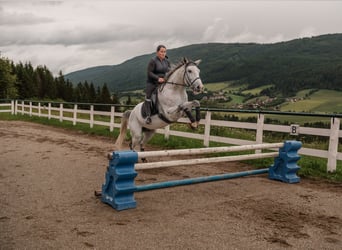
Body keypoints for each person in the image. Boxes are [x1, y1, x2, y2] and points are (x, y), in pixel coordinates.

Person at [144, 44, 170, 124]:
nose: (163, 53)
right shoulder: (153, 60)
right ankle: (148, 116)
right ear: (157, 52)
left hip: (163, 82)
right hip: (152, 82)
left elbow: (169, 71)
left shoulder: (167, 61)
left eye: (164, 52)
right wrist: (158, 78)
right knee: (148, 96)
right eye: (161, 51)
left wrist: (167, 77)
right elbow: (149, 73)